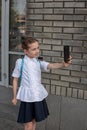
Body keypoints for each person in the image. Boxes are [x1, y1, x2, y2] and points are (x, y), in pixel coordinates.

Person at [12, 37, 72, 130]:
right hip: (27, 97)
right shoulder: (20, 62)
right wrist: (15, 97)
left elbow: (50, 65)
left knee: (34, 121)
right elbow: (15, 79)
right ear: (26, 51)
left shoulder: (38, 61)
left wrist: (63, 64)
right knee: (28, 125)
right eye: (33, 49)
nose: (37, 51)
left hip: (37, 95)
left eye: (38, 48)